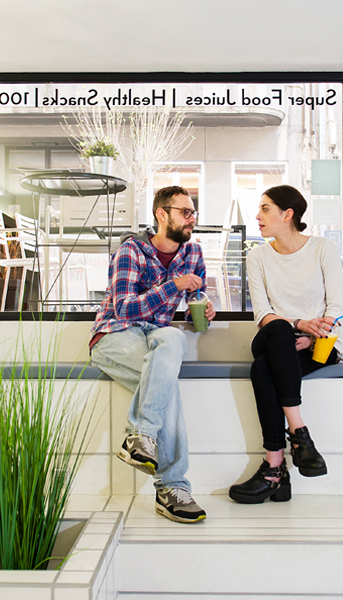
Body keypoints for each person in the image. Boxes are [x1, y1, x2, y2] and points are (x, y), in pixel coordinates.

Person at [89, 185, 215, 523]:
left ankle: (140, 436)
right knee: (166, 387)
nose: (192, 219)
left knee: (174, 337)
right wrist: (173, 286)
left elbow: (195, 302)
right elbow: (124, 309)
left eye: (193, 213)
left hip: (156, 335)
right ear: (162, 214)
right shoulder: (131, 250)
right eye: (185, 212)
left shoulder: (193, 253)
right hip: (114, 334)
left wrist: (203, 309)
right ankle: (172, 487)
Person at [229, 185, 343, 504]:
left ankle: (275, 469)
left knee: (262, 370)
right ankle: (300, 434)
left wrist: (313, 336)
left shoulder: (322, 248)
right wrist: (298, 324)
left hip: (316, 345)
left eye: (265, 209)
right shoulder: (257, 256)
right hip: (274, 337)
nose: (258, 216)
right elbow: (263, 314)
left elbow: (336, 307)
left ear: (287, 214)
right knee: (279, 327)